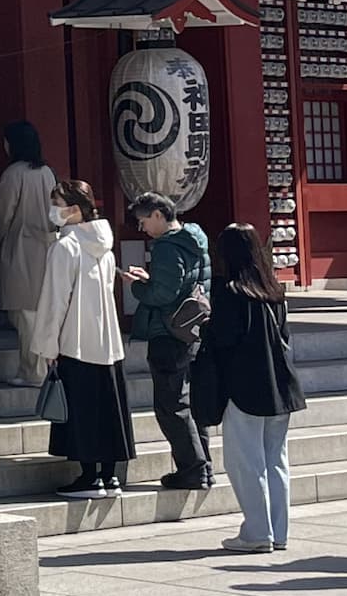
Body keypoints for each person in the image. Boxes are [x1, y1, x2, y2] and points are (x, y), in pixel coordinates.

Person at [196, 223, 306, 554]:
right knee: (276, 460)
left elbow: (224, 339)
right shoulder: (274, 291)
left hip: (244, 386)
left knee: (246, 461)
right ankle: (277, 530)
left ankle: (257, 531)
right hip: (281, 386)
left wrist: (205, 320)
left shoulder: (231, 292)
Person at [32, 176, 135, 501]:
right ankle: (110, 476)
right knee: (107, 408)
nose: (54, 210)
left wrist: (47, 344)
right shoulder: (104, 245)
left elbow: (55, 301)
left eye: (58, 204)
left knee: (82, 410)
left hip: (74, 340)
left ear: (75, 209)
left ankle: (89, 477)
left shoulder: (65, 247)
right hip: (107, 341)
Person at [125, 194, 214, 493]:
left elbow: (162, 295)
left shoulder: (166, 246)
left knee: (170, 405)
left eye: (143, 221)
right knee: (190, 403)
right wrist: (151, 279)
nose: (142, 228)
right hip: (192, 329)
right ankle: (204, 467)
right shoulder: (196, 238)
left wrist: (138, 286)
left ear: (158, 215)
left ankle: (192, 469)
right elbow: (181, 283)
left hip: (168, 331)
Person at [0, 121, 59, 382]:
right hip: (47, 246)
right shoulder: (47, 172)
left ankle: (33, 371)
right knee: (41, 311)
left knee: (24, 315)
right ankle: (37, 368)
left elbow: (2, 214)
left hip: (20, 246)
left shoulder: (14, 174)